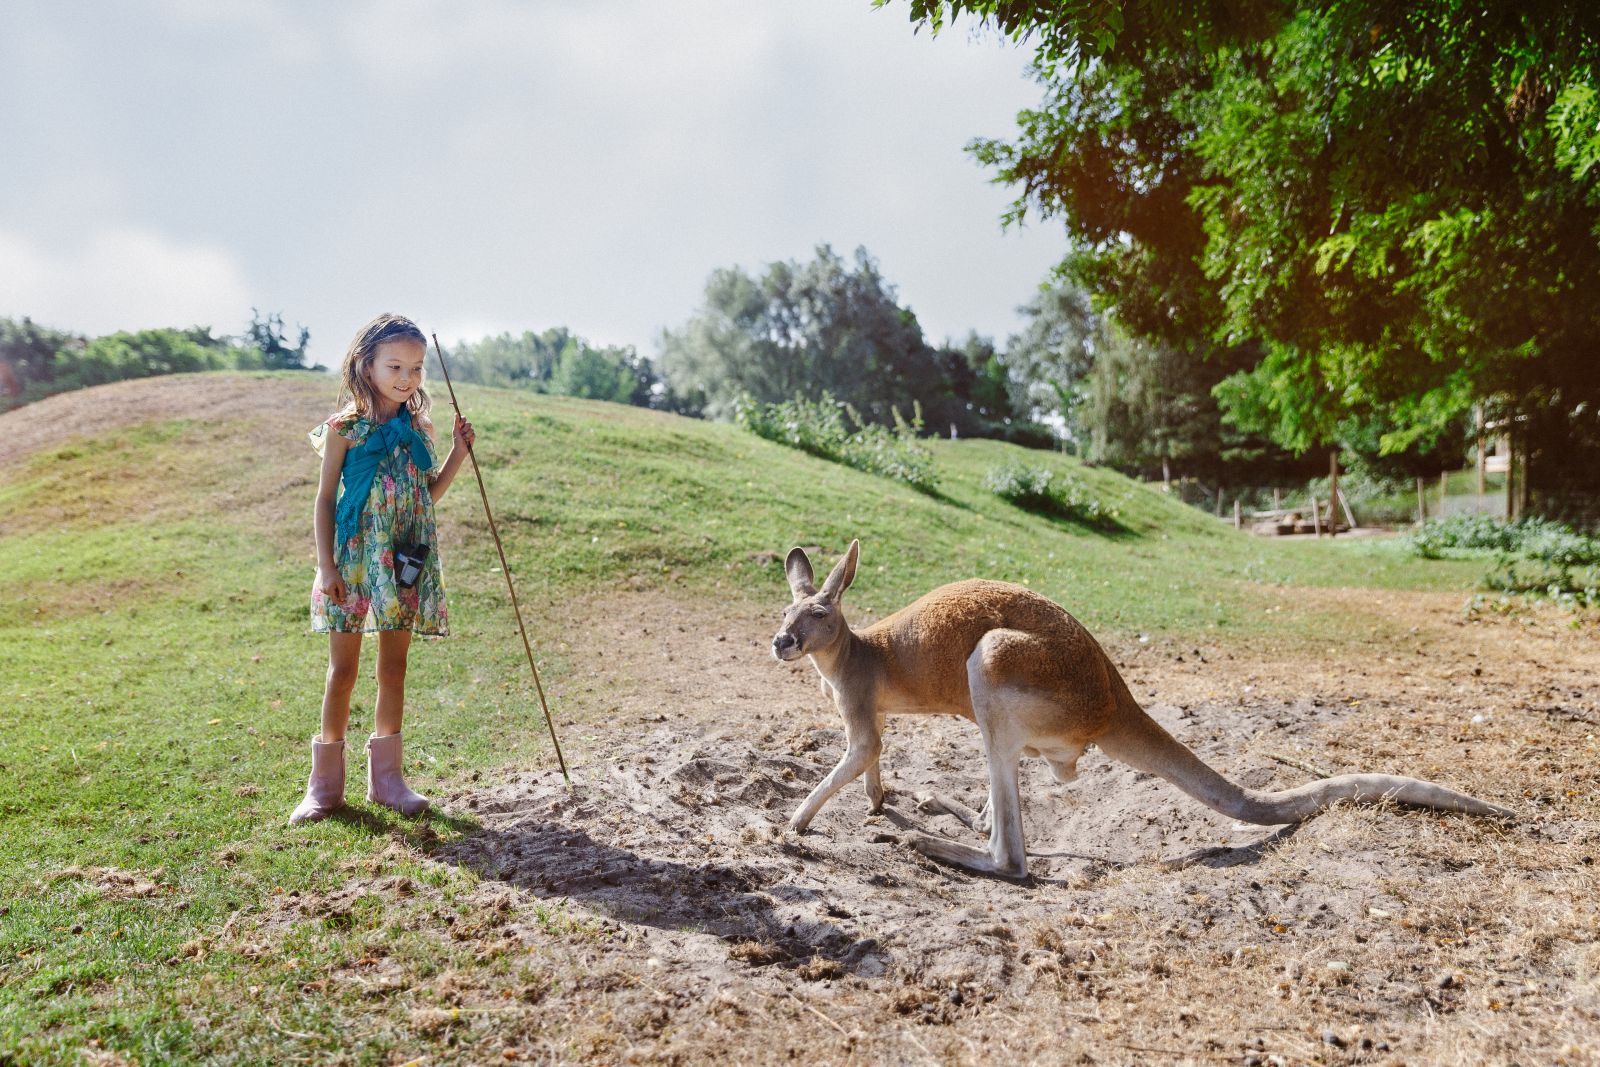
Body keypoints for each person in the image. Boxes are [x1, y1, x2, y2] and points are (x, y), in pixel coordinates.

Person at [290, 313, 475, 824]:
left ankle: (388, 781)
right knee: (342, 671)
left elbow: (426, 495)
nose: (406, 377)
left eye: (416, 368)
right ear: (365, 365)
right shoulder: (342, 430)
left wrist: (458, 454)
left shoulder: (417, 428)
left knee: (394, 667)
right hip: (351, 561)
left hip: (404, 558)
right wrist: (325, 566)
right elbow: (326, 499)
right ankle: (324, 788)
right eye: (394, 365)